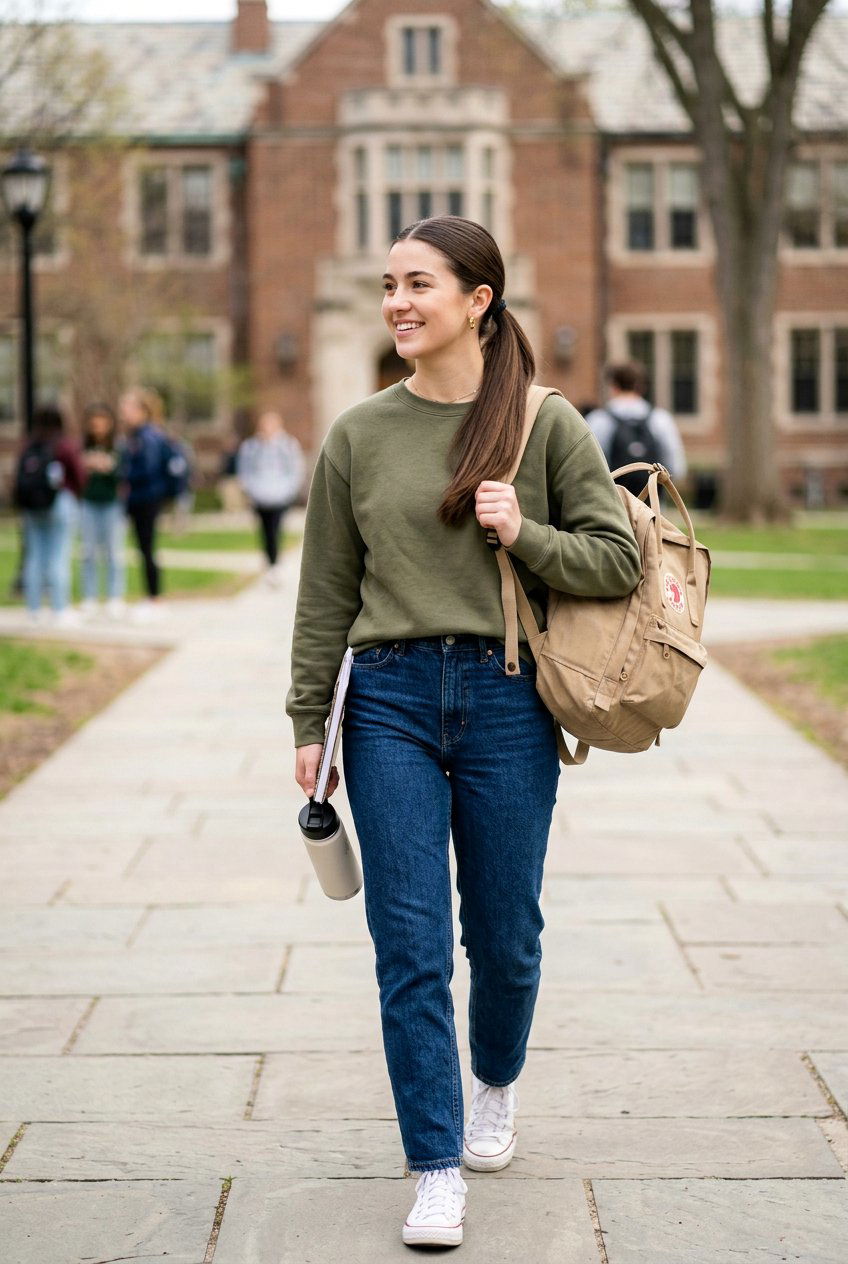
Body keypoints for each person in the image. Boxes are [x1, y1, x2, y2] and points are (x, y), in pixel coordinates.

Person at [285, 215, 641, 1249]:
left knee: (505, 937)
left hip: (507, 697)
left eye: (418, 284)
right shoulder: (357, 434)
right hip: (387, 701)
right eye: (388, 285)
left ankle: (495, 1081)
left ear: (478, 300)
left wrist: (522, 533)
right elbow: (324, 594)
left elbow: (616, 559)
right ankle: (435, 1166)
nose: (396, 302)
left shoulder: (543, 423)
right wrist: (308, 720)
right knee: (409, 945)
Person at [14, 403, 85, 627]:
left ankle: (33, 609)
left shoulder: (29, 445)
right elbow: (80, 476)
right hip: (60, 505)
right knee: (58, 556)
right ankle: (59, 609)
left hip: (32, 509)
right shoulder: (64, 445)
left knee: (35, 557)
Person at [118, 386, 183, 622]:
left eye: (127, 407)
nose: (123, 412)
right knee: (144, 548)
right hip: (142, 498)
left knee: (147, 548)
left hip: (146, 498)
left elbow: (148, 469)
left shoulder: (147, 437)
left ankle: (154, 598)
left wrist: (122, 475)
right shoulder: (137, 435)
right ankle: (152, 596)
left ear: (141, 410)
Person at [584, 362, 687, 497]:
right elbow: (676, 467)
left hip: (613, 501)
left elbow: (588, 467)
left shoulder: (599, 419)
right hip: (651, 503)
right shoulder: (660, 419)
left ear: (614, 386)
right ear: (641, 387)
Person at [236, 410, 305, 584]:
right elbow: (245, 471)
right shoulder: (252, 447)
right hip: (260, 496)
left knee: (275, 529)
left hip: (280, 496)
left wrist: (289, 490)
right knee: (265, 530)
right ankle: (269, 562)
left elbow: (295, 469)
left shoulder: (287, 445)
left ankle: (274, 564)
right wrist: (251, 490)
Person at [79, 402, 128, 621]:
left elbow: (123, 474)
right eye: (94, 422)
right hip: (88, 503)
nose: (97, 426)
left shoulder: (118, 447)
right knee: (88, 552)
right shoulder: (83, 446)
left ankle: (114, 597)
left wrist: (108, 467)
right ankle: (89, 597)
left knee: (113, 552)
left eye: (102, 421)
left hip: (111, 504)